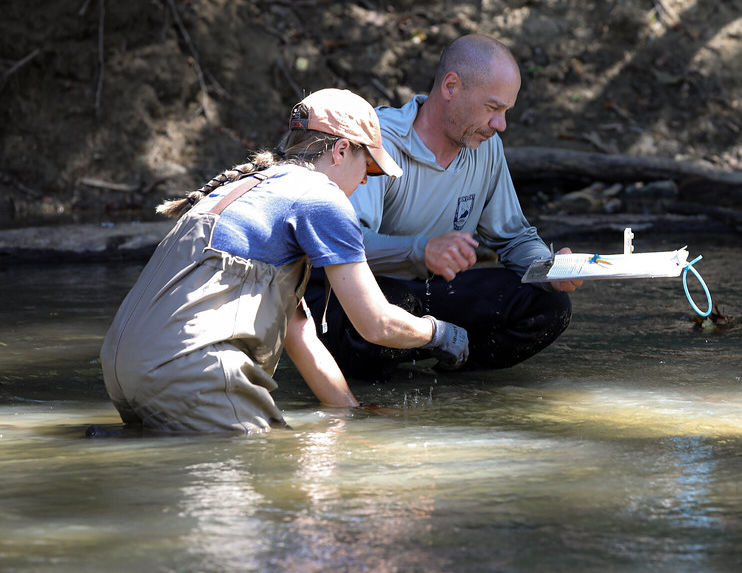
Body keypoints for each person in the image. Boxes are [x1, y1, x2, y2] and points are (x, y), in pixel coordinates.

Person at [100, 88, 470, 433]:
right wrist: (439, 333)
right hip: (190, 371)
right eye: (368, 168)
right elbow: (376, 324)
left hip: (125, 370)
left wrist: (350, 415)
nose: (365, 183)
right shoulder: (320, 197)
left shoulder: (245, 189)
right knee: (268, 469)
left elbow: (299, 334)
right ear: (340, 151)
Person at [305, 34, 582, 382]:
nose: (501, 125)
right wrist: (421, 251)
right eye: (493, 108)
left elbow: (514, 239)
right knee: (397, 301)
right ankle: (400, 365)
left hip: (431, 296)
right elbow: (340, 246)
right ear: (451, 86)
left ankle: (448, 373)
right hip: (362, 300)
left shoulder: (485, 146)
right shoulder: (378, 140)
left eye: (506, 112)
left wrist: (551, 269)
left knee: (550, 307)